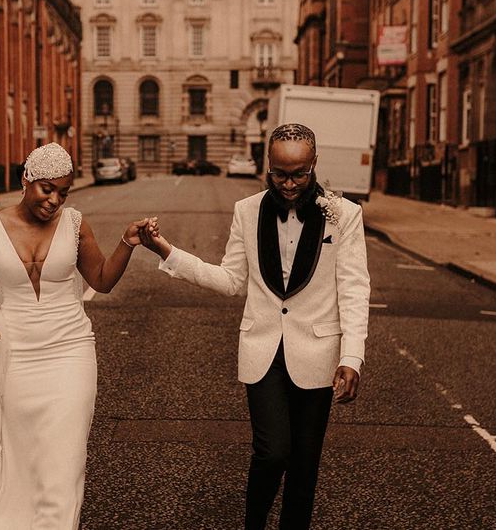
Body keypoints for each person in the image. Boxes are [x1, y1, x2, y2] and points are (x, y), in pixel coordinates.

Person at [139, 123, 370, 530]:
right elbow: (232, 280)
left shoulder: (344, 215)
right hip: (263, 351)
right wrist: (167, 251)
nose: (289, 183)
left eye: (299, 173)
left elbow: (353, 290)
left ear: (314, 165)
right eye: (280, 173)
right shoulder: (247, 211)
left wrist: (351, 357)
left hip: (318, 353)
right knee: (272, 451)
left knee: (304, 465)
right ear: (268, 164)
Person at [0, 143, 152, 530]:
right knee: (19, 456)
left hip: (71, 351)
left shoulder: (74, 223)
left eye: (63, 192)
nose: (55, 201)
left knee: (64, 461)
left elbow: (100, 280)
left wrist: (127, 243)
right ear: (26, 180)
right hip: (15, 353)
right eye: (47, 189)